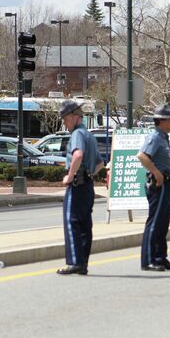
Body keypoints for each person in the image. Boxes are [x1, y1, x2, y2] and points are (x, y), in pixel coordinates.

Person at [57, 101, 103, 275]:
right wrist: (89, 174)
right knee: (85, 225)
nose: (64, 123)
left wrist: (70, 176)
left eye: (66, 119)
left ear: (75, 117)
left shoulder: (77, 134)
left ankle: (75, 262)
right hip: (88, 185)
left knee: (72, 222)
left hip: (76, 186)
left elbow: (77, 154)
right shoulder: (88, 135)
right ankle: (83, 263)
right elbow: (100, 163)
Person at [136, 104, 170, 271]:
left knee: (162, 223)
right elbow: (142, 156)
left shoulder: (163, 137)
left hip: (167, 183)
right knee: (155, 222)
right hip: (159, 185)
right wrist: (156, 172)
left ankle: (160, 257)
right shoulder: (155, 137)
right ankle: (148, 259)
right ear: (162, 121)